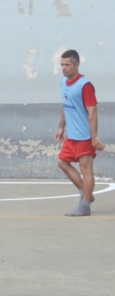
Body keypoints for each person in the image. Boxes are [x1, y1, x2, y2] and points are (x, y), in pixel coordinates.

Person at [55, 49, 105, 216]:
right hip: (72, 136)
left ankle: (85, 205)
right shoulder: (63, 83)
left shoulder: (85, 85)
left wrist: (93, 136)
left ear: (76, 65)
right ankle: (86, 194)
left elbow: (93, 111)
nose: (64, 68)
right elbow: (65, 105)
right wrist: (61, 126)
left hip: (84, 136)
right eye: (62, 65)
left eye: (67, 65)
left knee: (86, 169)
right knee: (62, 162)